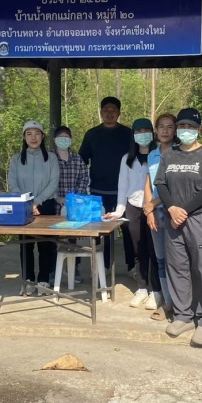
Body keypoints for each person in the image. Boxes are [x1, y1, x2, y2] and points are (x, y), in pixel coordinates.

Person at [154, 108, 202, 347]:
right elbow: (161, 183)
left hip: (199, 219)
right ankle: (183, 314)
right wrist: (172, 208)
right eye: (182, 126)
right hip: (173, 218)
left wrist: (184, 210)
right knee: (177, 266)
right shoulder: (170, 155)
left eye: (191, 127)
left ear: (198, 129)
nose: (186, 131)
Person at [105, 118, 156, 308]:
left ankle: (156, 291)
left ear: (152, 133)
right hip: (133, 207)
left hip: (154, 207)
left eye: (146, 130)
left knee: (154, 249)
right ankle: (142, 288)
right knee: (138, 249)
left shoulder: (158, 156)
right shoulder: (127, 159)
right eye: (139, 131)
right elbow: (122, 185)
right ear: (133, 135)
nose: (143, 134)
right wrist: (119, 210)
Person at [79, 97, 134, 272]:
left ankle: (132, 266)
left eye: (113, 110)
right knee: (99, 230)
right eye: (106, 110)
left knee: (128, 230)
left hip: (123, 192)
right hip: (97, 191)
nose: (109, 113)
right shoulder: (92, 134)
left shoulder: (129, 134)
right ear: (101, 113)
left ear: (119, 113)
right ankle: (103, 266)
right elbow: (81, 161)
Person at [9, 121, 59, 295]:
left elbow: (53, 182)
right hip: (23, 206)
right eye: (29, 134)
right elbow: (13, 183)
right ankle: (28, 281)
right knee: (26, 245)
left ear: (42, 136)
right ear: (24, 137)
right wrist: (27, 203)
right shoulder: (16, 159)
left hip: (45, 205)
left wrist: (37, 202)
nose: (33, 137)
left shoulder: (51, 158)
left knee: (45, 244)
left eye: (37, 133)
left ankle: (44, 280)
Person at [144, 113, 177, 320]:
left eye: (169, 126)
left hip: (173, 213)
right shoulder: (152, 155)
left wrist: (153, 203)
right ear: (156, 130)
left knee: (177, 260)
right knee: (161, 259)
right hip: (155, 214)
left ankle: (181, 302)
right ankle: (168, 302)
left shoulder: (180, 153)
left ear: (175, 130)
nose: (165, 130)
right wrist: (149, 211)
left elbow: (173, 187)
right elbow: (148, 183)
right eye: (161, 126)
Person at [53, 125, 90, 286]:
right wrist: (56, 197)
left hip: (74, 205)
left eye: (66, 137)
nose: (63, 140)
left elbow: (84, 177)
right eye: (60, 137)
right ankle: (52, 271)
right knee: (53, 239)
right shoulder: (50, 158)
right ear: (55, 140)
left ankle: (73, 268)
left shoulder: (77, 158)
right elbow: (46, 179)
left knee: (73, 238)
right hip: (54, 203)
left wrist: (76, 198)